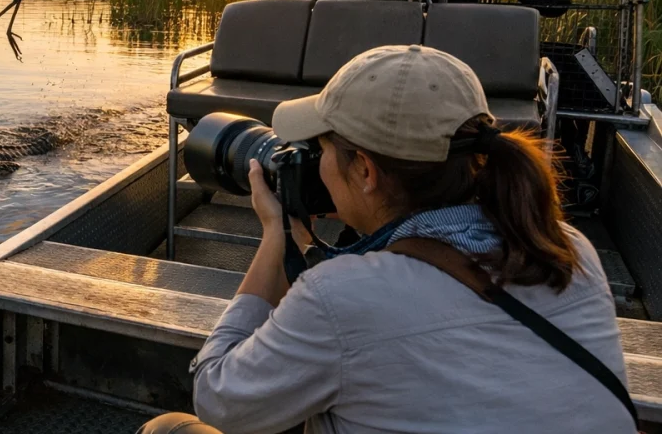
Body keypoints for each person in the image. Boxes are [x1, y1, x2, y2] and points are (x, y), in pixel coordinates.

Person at [140, 45, 631, 433]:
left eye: (321, 147)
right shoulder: (565, 245)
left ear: (367, 171)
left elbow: (219, 399)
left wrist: (277, 236)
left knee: (169, 430)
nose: (313, 161)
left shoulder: (340, 297)